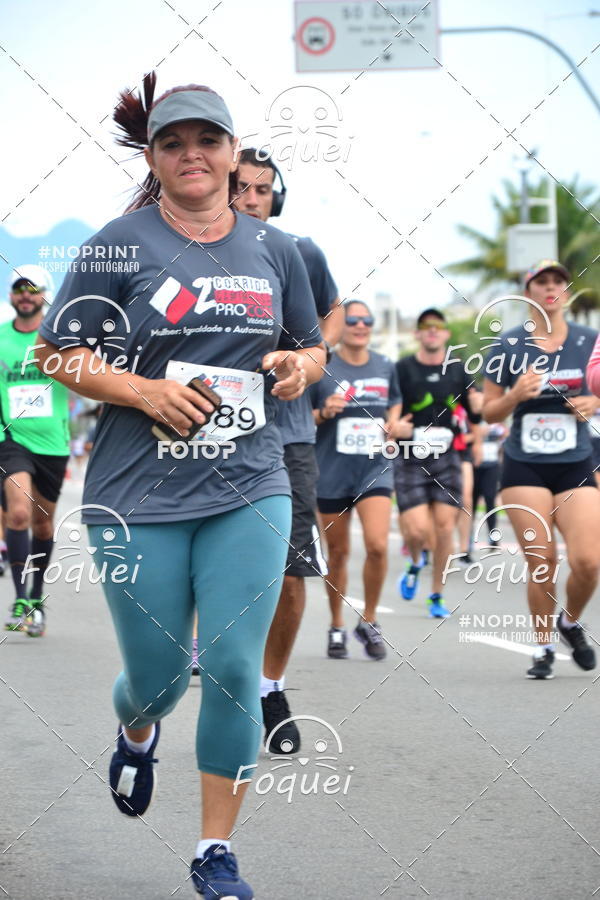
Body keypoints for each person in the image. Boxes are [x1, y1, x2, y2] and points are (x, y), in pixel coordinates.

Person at [34, 74, 325, 899]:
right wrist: (143, 390)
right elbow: (59, 355)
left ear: (234, 155)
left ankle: (213, 851)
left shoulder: (278, 251)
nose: (192, 154)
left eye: (208, 140)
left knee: (232, 662)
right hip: (138, 494)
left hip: (251, 481)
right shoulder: (115, 244)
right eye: (173, 143)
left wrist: (296, 366)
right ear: (154, 157)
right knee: (160, 680)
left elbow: (310, 346)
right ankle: (136, 730)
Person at [233, 147, 343, 753]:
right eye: (241, 188)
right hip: (211, 432)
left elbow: (322, 324)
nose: (252, 199)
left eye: (263, 190)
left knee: (293, 569)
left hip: (288, 433)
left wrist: (303, 361)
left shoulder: (299, 251)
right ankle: (219, 661)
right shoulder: (189, 254)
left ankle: (271, 686)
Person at [484, 260, 600, 680]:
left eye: (558, 281)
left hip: (576, 462)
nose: (551, 288)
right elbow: (489, 412)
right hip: (525, 466)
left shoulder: (591, 340)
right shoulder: (509, 345)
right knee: (543, 561)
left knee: (588, 561)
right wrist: (515, 394)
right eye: (541, 282)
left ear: (566, 292)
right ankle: (543, 647)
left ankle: (569, 622)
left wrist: (596, 403)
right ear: (527, 291)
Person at [311, 300, 402, 659]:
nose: (360, 325)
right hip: (331, 469)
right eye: (352, 320)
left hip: (374, 466)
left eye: (366, 320)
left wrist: (394, 422)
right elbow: (304, 417)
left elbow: (395, 402)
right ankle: (336, 624)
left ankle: (369, 620)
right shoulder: (323, 365)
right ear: (340, 325)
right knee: (338, 552)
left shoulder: (384, 365)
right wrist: (323, 412)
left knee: (378, 545)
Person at [394, 308, 482, 617]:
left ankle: (436, 596)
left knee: (445, 530)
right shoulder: (402, 368)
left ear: (446, 334)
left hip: (447, 458)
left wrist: (479, 409)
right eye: (425, 327)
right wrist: (393, 427)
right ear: (417, 334)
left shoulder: (458, 370)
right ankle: (416, 560)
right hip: (409, 458)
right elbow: (388, 413)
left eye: (438, 327)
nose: (432, 331)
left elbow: (475, 416)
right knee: (417, 531)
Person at [1, 265, 68, 638]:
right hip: (10, 441)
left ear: (45, 295)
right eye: (18, 288)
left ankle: (37, 597)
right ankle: (20, 599)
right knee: (20, 512)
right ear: (11, 295)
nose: (25, 294)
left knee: (43, 524)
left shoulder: (58, 341)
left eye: (33, 288)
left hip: (53, 445)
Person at [471, 422, 506, 548]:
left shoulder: (495, 421)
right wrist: (477, 434)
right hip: (474, 466)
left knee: (490, 499)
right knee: (472, 502)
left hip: (492, 466)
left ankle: (493, 537)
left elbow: (505, 434)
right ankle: (469, 540)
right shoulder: (473, 418)